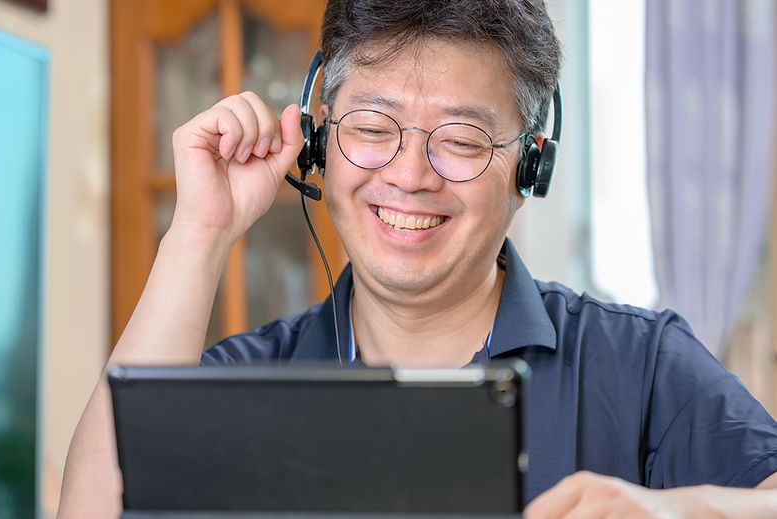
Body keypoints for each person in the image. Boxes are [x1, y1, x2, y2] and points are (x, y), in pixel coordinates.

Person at [59, 0, 777, 517]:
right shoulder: (244, 380)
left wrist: (676, 510)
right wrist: (200, 229)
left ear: (530, 172)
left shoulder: (639, 363)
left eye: (461, 142)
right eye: (373, 128)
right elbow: (95, 509)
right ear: (318, 143)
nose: (409, 174)